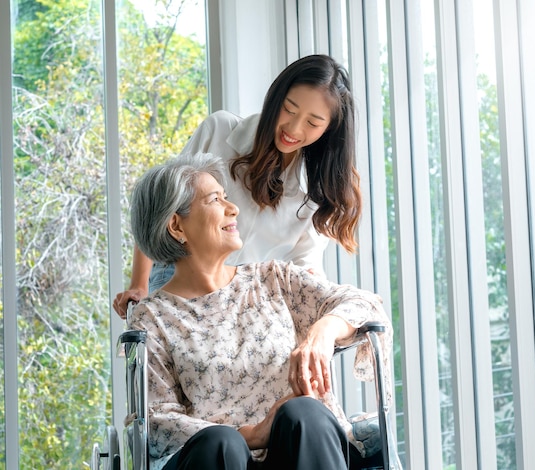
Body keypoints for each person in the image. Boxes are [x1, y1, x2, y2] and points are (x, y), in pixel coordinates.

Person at [127, 153, 392, 470]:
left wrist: (322, 334)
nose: (233, 208)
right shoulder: (153, 317)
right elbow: (154, 421)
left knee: (304, 412)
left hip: (300, 451)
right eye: (215, 200)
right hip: (217, 459)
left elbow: (368, 306)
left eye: (227, 197)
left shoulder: (274, 279)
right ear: (176, 224)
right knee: (221, 443)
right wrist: (248, 434)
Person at [113, 54, 362, 318]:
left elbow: (305, 263)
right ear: (276, 97)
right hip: (179, 279)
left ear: (328, 129)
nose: (294, 127)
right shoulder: (220, 130)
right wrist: (139, 285)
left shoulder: (317, 190)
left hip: (246, 305)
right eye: (289, 108)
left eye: (313, 123)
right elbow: (161, 204)